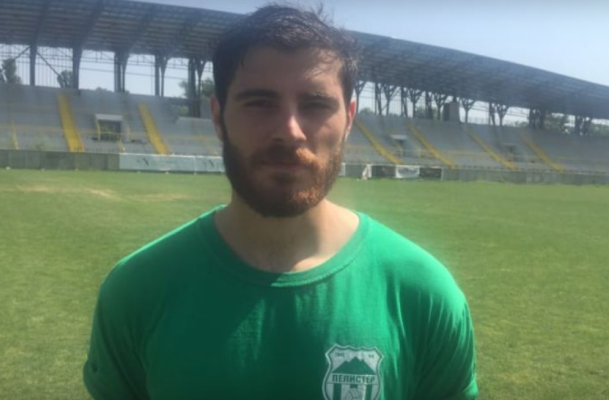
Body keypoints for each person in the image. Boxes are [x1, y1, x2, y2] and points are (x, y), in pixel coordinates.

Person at [83, 5, 478, 400]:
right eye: (260, 103)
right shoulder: (136, 290)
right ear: (218, 117)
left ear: (349, 120)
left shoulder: (424, 294)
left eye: (316, 105)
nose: (290, 132)